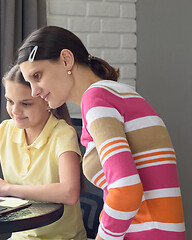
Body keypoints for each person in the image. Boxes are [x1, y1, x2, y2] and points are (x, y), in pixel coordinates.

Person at [16, 26, 186, 240]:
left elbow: (126, 189)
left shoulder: (96, 98)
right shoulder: (116, 93)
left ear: (66, 59)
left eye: (37, 76)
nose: (34, 91)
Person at [0, 64, 87, 240]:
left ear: (48, 101)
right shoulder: (5, 130)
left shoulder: (62, 134)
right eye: (10, 101)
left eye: (25, 103)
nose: (15, 111)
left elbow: (69, 192)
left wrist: (9, 188)